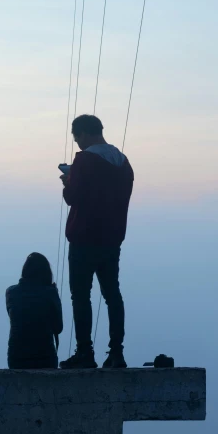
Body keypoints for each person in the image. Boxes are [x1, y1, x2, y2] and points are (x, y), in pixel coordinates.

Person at [59, 114, 134, 370]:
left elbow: (73, 197)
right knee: (112, 294)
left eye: (77, 137)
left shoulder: (84, 161)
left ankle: (85, 353)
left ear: (83, 133)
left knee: (80, 297)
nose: (77, 143)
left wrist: (67, 181)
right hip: (112, 239)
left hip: (83, 238)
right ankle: (116, 353)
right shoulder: (123, 163)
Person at [6, 253, 63, 369]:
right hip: (45, 357)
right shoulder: (50, 292)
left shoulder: (11, 292)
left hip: (16, 358)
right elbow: (58, 327)